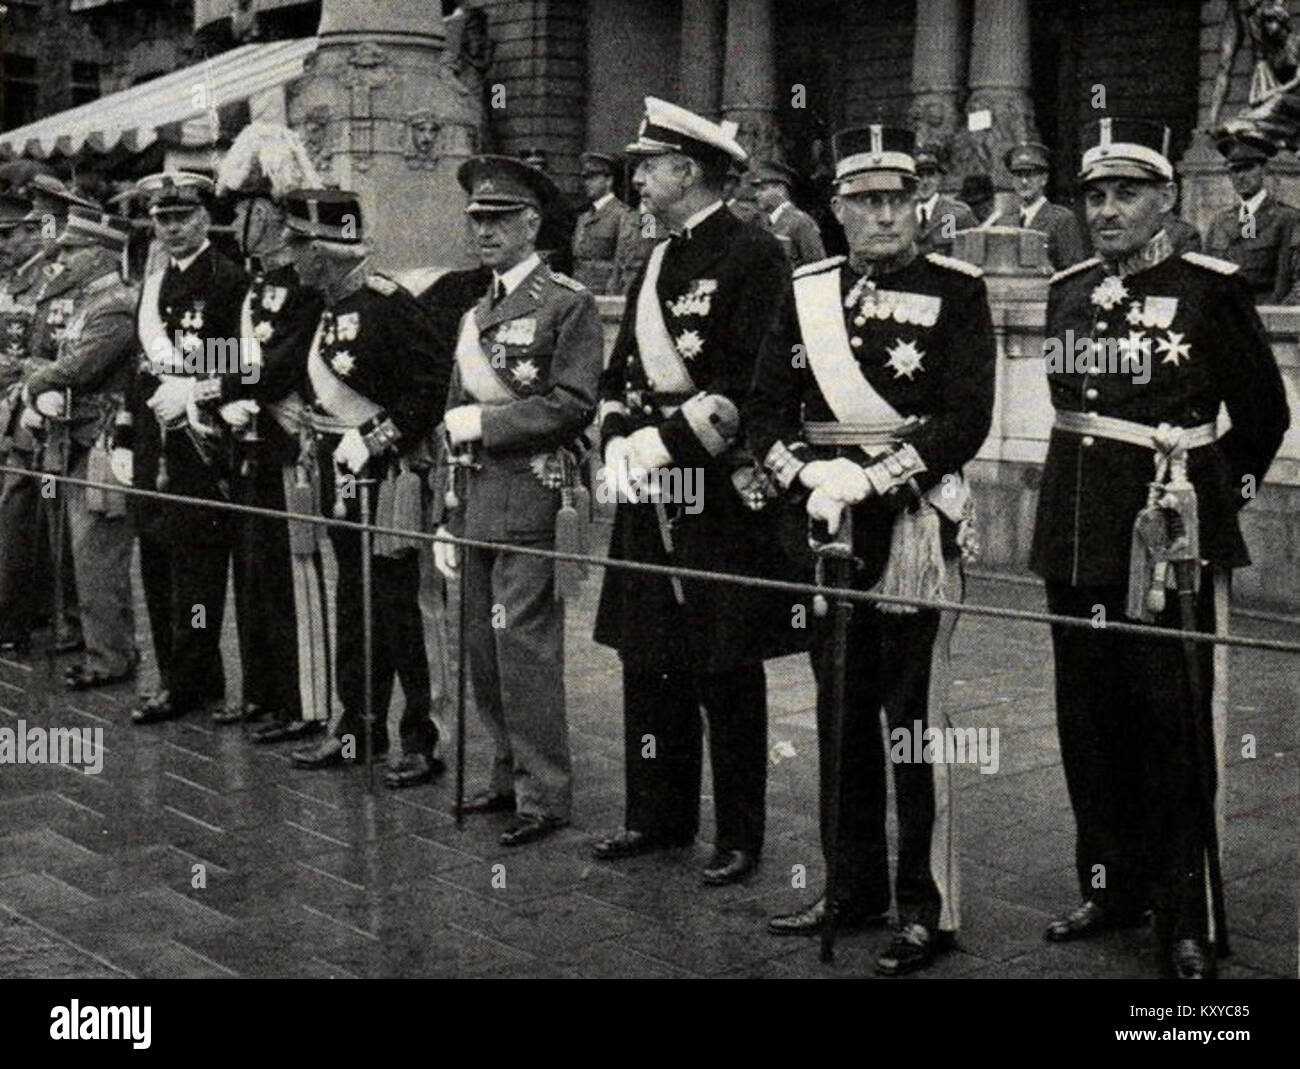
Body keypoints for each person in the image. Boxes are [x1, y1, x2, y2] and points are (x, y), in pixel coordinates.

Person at [1031, 118, 1288, 979]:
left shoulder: (1210, 289)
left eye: (1126, 193)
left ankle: (1185, 914)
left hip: (1167, 540)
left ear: (1167, 199)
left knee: (1171, 727)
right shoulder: (1066, 290)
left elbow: (1263, 418)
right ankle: (1110, 885)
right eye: (1095, 195)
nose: (1107, 210)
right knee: (1088, 721)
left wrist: (1207, 503)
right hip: (1076, 537)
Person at [747, 123, 996, 974]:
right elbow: (764, 408)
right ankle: (851, 884)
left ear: (916, 204)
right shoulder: (807, 289)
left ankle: (928, 904)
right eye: (864, 200)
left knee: (916, 727)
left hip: (911, 526)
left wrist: (877, 476)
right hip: (825, 528)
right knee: (841, 715)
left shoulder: (958, 290)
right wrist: (804, 477)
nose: (883, 215)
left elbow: (966, 417)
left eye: (896, 199)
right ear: (840, 209)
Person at [590, 97, 804, 886]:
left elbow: (751, 378)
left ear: (687, 170)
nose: (639, 176)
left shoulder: (755, 254)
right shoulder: (654, 260)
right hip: (647, 489)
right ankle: (656, 814)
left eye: (650, 164)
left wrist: (666, 442)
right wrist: (615, 435)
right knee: (649, 656)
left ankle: (740, 833)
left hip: (714, 495)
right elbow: (620, 371)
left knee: (724, 665)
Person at [431, 155, 603, 845]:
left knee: (523, 647)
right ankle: (504, 772)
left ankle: (545, 790)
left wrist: (492, 423)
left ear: (532, 222)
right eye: (477, 219)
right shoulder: (476, 311)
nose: (485, 231)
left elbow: (573, 403)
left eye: (499, 219)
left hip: (534, 497)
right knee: (479, 643)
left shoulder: (569, 301)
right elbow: (451, 414)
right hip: (475, 499)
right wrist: (445, 514)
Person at [285, 189, 450, 787]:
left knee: (403, 605)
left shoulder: (389, 305)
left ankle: (423, 739)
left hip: (388, 477)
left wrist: (377, 437)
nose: (290, 256)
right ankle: (357, 728)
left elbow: (431, 392)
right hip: (337, 470)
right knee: (354, 599)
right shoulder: (328, 303)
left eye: (298, 244)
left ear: (325, 251)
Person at [210, 122, 331, 745]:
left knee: (293, 575)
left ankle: (303, 700)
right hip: (251, 438)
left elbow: (279, 363)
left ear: (274, 215)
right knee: (253, 570)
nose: (236, 226)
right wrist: (230, 393)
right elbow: (236, 356)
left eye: (245, 212)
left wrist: (234, 386)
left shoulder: (304, 287)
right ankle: (260, 689)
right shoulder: (257, 283)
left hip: (287, 443)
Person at [119, 171, 248, 725]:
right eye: (162, 219)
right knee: (156, 558)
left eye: (182, 217)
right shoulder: (152, 284)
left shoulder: (228, 279)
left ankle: (189, 679)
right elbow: (139, 363)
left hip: (200, 442)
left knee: (195, 567)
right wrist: (125, 432)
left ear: (204, 218)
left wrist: (190, 385)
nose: (171, 228)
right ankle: (177, 671)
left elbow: (244, 358)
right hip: (154, 438)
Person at [22, 205, 139, 691]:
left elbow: (76, 368)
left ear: (101, 255)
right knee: (86, 554)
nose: (64, 258)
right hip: (78, 438)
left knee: (97, 556)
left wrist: (32, 379)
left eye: (74, 250)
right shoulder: (94, 301)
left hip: (101, 442)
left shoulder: (112, 305)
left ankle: (109, 657)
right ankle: (108, 649)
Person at [1, 177, 99, 657]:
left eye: (17, 230)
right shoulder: (25, 278)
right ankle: (33, 611)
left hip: (49, 413)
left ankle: (51, 618)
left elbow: (55, 352)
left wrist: (27, 387)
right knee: (28, 510)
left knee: (47, 514)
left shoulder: (58, 280)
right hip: (24, 409)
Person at [1205, 132, 1300, 303]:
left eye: (1248, 168)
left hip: (1264, 315)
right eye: (1234, 170)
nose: (1240, 176)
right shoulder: (1220, 222)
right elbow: (1205, 276)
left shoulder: (1287, 219)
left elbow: (1289, 280)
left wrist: (1273, 314)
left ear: (1264, 170)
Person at [571, 151, 652, 295]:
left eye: (593, 178)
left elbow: (624, 261)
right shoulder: (583, 217)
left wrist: (615, 293)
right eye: (585, 178)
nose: (587, 183)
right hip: (579, 290)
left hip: (604, 293)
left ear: (609, 181)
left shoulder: (623, 215)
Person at [1005, 141, 1087, 270]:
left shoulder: (1061, 219)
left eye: (1030, 174)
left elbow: (1073, 273)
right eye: (1018, 175)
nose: (1024, 181)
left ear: (1044, 179)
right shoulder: (1006, 221)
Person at [749, 158, 827, 267]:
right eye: (757, 190)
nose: (756, 195)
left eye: (763, 189)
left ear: (780, 190)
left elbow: (818, 266)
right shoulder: (763, 223)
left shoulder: (801, 222)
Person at [912, 147, 974, 256]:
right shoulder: (903, 214)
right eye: (919, 176)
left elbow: (973, 253)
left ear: (940, 178)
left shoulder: (958, 214)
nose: (925, 182)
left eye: (931, 174)